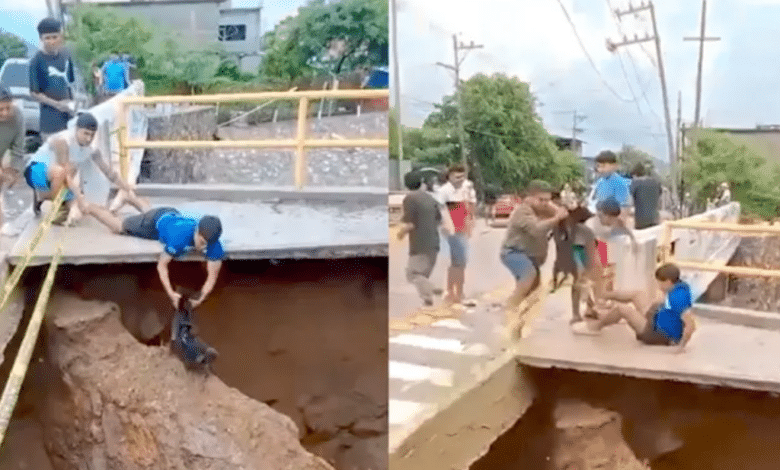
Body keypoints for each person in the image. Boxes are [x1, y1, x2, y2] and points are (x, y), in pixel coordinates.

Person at [75, 188, 224, 308]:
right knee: (118, 227)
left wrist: (200, 299)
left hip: (171, 216)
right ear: (197, 230)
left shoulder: (214, 243)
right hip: (153, 224)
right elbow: (162, 266)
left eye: (207, 244)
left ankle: (128, 196)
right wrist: (171, 293)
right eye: (201, 241)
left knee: (150, 213)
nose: (203, 246)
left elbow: (212, 277)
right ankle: (88, 207)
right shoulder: (178, 239)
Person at [23, 112, 133, 224]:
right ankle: (43, 196)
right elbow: (64, 173)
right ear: (76, 129)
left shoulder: (91, 149)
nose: (89, 138)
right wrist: (79, 199)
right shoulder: (63, 140)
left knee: (74, 209)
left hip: (56, 176)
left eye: (92, 135)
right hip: (35, 171)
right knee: (66, 172)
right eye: (85, 133)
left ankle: (57, 202)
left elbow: (108, 171)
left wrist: (126, 187)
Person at [572, 263, 697, 352]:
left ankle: (595, 327)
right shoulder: (680, 285)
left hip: (656, 334)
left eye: (660, 283)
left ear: (668, 282)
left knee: (622, 309)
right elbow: (669, 306)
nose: (658, 286)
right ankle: (603, 296)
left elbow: (691, 325)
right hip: (657, 319)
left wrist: (680, 347)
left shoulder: (678, 299)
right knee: (637, 294)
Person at [501, 180, 568, 321]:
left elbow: (565, 215)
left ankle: (520, 319)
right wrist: (556, 218)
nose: (544, 203)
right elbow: (537, 229)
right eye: (541, 200)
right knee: (528, 276)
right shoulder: (523, 211)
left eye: (548, 200)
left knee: (534, 291)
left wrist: (555, 209)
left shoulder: (544, 210)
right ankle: (509, 310)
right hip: (514, 252)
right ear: (528, 198)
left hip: (532, 256)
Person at [397, 171, 451, 307]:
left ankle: (436, 291)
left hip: (420, 245)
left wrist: (401, 233)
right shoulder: (430, 199)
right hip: (434, 243)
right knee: (422, 276)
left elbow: (410, 224)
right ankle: (428, 299)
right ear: (421, 182)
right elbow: (439, 220)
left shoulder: (410, 198)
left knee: (413, 274)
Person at [30, 18, 75, 141]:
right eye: (47, 38)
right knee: (53, 157)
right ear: (41, 39)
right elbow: (34, 93)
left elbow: (71, 83)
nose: (51, 41)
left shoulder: (66, 54)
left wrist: (72, 104)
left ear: (60, 36)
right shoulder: (36, 61)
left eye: (54, 37)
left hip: (69, 118)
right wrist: (57, 105)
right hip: (50, 122)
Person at [436, 164, 476, 305]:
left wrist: (471, 222)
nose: (460, 179)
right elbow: (441, 210)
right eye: (457, 177)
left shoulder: (467, 187)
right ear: (450, 176)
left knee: (458, 262)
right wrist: (446, 226)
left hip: (463, 228)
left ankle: (452, 291)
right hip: (452, 229)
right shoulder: (444, 191)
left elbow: (471, 205)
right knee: (460, 261)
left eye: (462, 176)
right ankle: (456, 293)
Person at [0, 86, 25, 189]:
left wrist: (14, 171)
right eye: (0, 109)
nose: (5, 113)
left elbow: (18, 150)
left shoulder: (18, 116)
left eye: (8, 108)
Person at [629, 163, 662, 230]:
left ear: (635, 174)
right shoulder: (655, 182)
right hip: (655, 220)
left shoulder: (635, 182)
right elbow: (660, 193)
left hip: (641, 222)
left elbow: (629, 199)